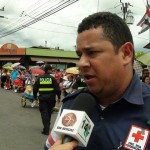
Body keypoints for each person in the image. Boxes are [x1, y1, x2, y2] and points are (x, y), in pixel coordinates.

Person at [45, 12, 150, 150]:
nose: (81, 63)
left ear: (126, 53)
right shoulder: (72, 104)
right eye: (80, 55)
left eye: (92, 53)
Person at [33, 64, 61, 135]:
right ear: (48, 70)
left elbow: (35, 88)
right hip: (51, 99)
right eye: (51, 69)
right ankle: (47, 127)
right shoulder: (52, 79)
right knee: (48, 113)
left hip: (43, 99)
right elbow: (57, 89)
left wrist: (35, 97)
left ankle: (46, 129)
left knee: (44, 113)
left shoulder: (40, 78)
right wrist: (59, 97)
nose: (52, 70)